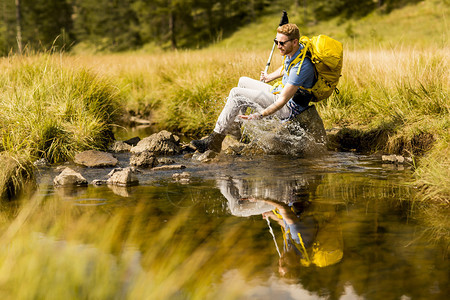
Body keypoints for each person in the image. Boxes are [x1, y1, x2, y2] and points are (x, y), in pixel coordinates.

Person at [191, 23, 316, 153]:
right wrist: (269, 77)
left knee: (236, 93)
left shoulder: (302, 67)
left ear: (295, 42)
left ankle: (214, 141)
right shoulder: (296, 51)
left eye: (282, 43)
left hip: (288, 108)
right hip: (280, 92)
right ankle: (236, 128)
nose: (278, 46)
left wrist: (260, 114)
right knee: (242, 81)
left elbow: (282, 100)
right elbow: (286, 65)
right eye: (276, 42)